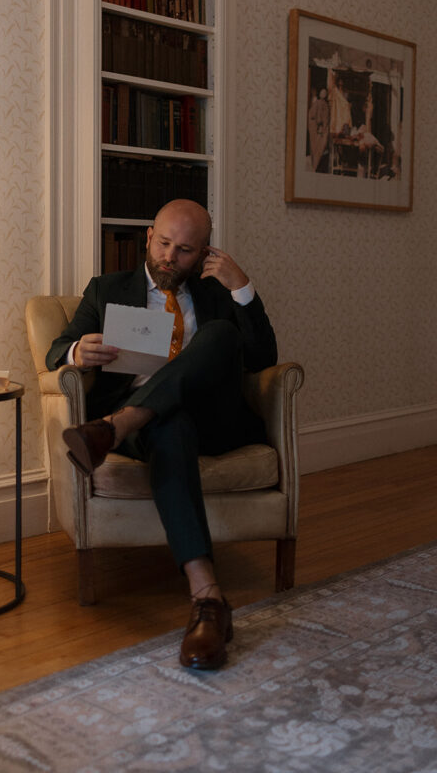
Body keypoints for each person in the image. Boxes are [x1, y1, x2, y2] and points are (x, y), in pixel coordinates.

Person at [46, 199, 277, 670]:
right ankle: (207, 598)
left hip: (212, 420)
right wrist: (77, 350)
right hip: (158, 431)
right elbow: (55, 351)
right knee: (169, 425)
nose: (170, 257)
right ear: (149, 237)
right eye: (164, 243)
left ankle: (116, 425)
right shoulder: (107, 289)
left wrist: (242, 288)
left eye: (185, 250)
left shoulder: (216, 294)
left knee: (220, 334)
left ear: (204, 253)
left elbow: (262, 358)